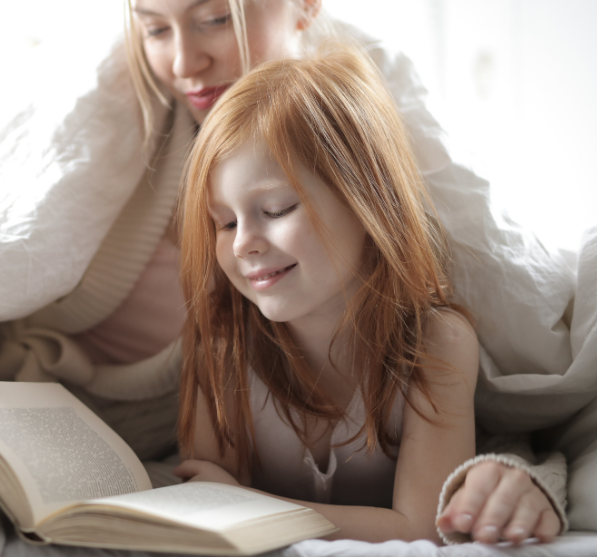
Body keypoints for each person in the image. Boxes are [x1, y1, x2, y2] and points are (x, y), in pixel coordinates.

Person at [0, 0, 567, 545]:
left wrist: (529, 470)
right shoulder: (129, 138)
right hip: (45, 421)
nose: (184, 63)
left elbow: (531, 375)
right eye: (154, 29)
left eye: (215, 18)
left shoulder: (360, 132)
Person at [175, 48, 478, 542]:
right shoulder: (223, 347)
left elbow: (423, 527)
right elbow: (202, 504)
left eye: (275, 209)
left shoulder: (437, 344)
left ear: (366, 198)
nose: (242, 242)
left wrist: (240, 504)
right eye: (225, 222)